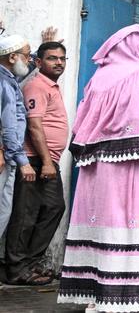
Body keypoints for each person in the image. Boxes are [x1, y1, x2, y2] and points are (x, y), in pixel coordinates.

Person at [56, 25, 139, 312]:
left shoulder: (99, 77)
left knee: (102, 227)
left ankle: (96, 296)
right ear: (134, 45)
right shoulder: (138, 74)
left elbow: (81, 123)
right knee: (129, 222)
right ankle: (122, 298)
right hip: (133, 167)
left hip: (97, 168)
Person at [6, 39, 69, 285]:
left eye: (62, 58)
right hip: (35, 159)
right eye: (53, 58)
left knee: (53, 208)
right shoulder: (36, 86)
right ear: (38, 61)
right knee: (26, 214)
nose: (59, 63)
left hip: (47, 159)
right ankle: (16, 268)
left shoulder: (51, 85)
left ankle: (30, 263)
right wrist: (45, 162)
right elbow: (34, 126)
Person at [0, 32, 30, 244]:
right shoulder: (3, 83)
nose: (30, 60)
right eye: (27, 56)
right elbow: (9, 125)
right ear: (12, 57)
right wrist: (23, 161)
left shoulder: (9, 78)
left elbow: (21, 71)